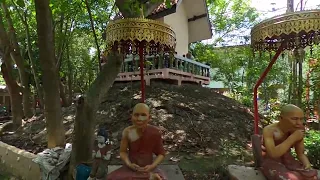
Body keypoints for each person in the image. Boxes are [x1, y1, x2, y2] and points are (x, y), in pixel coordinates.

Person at [107, 103, 167, 180]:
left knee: (162, 179)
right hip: (131, 169)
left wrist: (152, 166)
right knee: (110, 178)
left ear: (149, 117)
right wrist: (129, 164)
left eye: (143, 115)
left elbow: (161, 154)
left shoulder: (155, 132)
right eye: (136, 115)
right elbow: (122, 152)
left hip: (149, 169)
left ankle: (151, 176)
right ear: (131, 117)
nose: (139, 119)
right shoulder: (127, 132)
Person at [261, 104, 318, 180]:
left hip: (288, 160)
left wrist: (307, 165)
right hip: (271, 161)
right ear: (281, 118)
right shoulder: (269, 130)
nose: (299, 123)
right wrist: (292, 138)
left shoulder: (297, 129)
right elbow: (273, 154)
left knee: (313, 177)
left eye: (301, 119)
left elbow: (300, 154)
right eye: (294, 119)